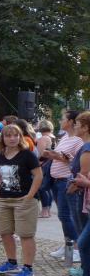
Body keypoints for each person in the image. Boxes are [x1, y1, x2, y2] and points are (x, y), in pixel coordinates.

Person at [0, 124, 42, 276]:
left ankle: (28, 268)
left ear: (20, 137)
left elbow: (39, 175)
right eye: (8, 135)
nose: (12, 138)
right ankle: (11, 262)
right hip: (4, 199)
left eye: (16, 135)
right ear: (3, 138)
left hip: (24, 200)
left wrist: (30, 195)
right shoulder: (0, 155)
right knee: (5, 232)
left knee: (26, 235)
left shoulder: (27, 155)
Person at [43, 110, 83, 265]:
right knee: (63, 216)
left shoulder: (78, 140)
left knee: (67, 215)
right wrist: (52, 155)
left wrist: (58, 157)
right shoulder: (65, 137)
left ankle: (76, 247)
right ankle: (68, 244)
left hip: (66, 180)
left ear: (71, 121)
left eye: (63, 118)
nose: (60, 121)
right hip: (56, 180)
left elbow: (77, 162)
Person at [69, 112, 90, 276]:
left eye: (77, 123)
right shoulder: (85, 147)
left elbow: (84, 174)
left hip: (83, 197)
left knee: (84, 242)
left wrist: (75, 186)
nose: (74, 126)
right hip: (85, 199)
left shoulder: (87, 148)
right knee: (84, 241)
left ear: (85, 127)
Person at [36, 120, 56, 218]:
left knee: (42, 187)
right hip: (51, 163)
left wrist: (37, 163)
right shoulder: (53, 137)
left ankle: (44, 210)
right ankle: (48, 210)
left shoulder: (43, 138)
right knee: (48, 187)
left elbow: (41, 154)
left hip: (44, 164)